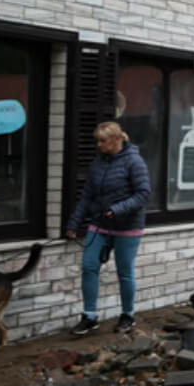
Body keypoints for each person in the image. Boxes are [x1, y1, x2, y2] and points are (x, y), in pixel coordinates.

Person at [65, 121, 151, 335]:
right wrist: (74, 223)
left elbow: (143, 194)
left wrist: (119, 209)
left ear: (116, 140)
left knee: (125, 272)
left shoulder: (134, 161)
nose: (99, 145)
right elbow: (87, 196)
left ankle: (127, 315)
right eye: (98, 141)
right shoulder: (97, 163)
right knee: (89, 266)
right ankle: (89, 316)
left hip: (128, 226)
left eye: (102, 141)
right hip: (100, 224)